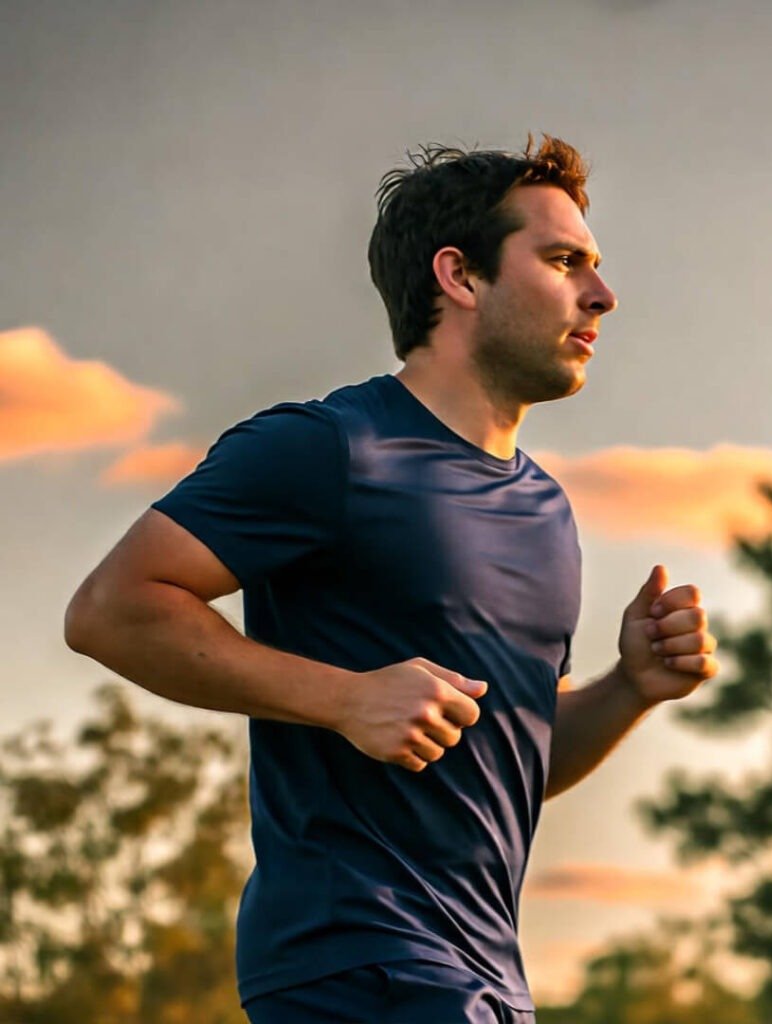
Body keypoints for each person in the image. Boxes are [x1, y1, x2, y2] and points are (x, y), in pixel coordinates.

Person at [64, 134, 720, 1024]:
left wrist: (629, 688)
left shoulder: (546, 511)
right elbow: (111, 610)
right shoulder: (329, 447)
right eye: (563, 261)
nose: (602, 294)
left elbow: (509, 762)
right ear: (460, 276)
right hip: (354, 955)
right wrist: (345, 698)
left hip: (487, 978)